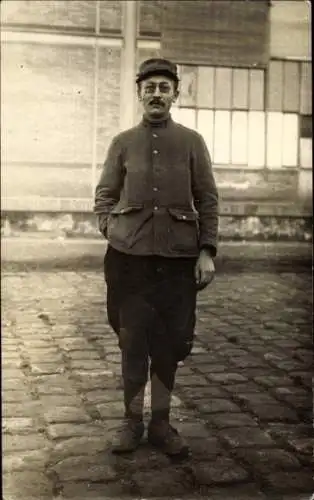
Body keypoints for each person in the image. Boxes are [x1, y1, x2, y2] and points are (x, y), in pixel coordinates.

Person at [94, 58, 218, 457]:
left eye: (165, 87)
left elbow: (208, 199)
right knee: (132, 341)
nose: (157, 94)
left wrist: (206, 251)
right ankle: (132, 423)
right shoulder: (122, 142)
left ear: (175, 95)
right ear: (139, 94)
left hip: (178, 260)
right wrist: (111, 230)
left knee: (168, 344)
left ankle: (161, 425)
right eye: (150, 88)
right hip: (129, 261)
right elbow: (104, 196)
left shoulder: (192, 142)